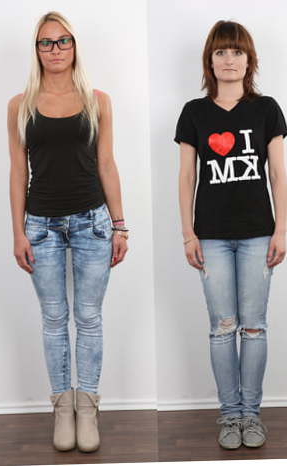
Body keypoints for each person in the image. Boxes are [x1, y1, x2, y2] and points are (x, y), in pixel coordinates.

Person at [7, 11, 128, 453]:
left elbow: (107, 164)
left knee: (89, 317)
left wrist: (120, 224)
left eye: (63, 41)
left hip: (92, 223)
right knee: (55, 318)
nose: (55, 49)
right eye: (46, 42)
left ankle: (88, 406)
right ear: (36, 50)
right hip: (41, 227)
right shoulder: (19, 105)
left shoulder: (98, 101)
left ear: (74, 47)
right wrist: (18, 232)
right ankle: (62, 407)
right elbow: (18, 172)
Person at [175, 20, 286, 450]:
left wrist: (282, 229)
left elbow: (278, 174)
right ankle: (230, 415)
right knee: (222, 328)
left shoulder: (267, 109)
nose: (228, 59)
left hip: (259, 234)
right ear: (210, 60)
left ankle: (251, 415)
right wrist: (188, 234)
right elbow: (187, 177)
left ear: (249, 59)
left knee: (254, 327)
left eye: (236, 52)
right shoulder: (194, 112)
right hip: (212, 237)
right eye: (220, 52)